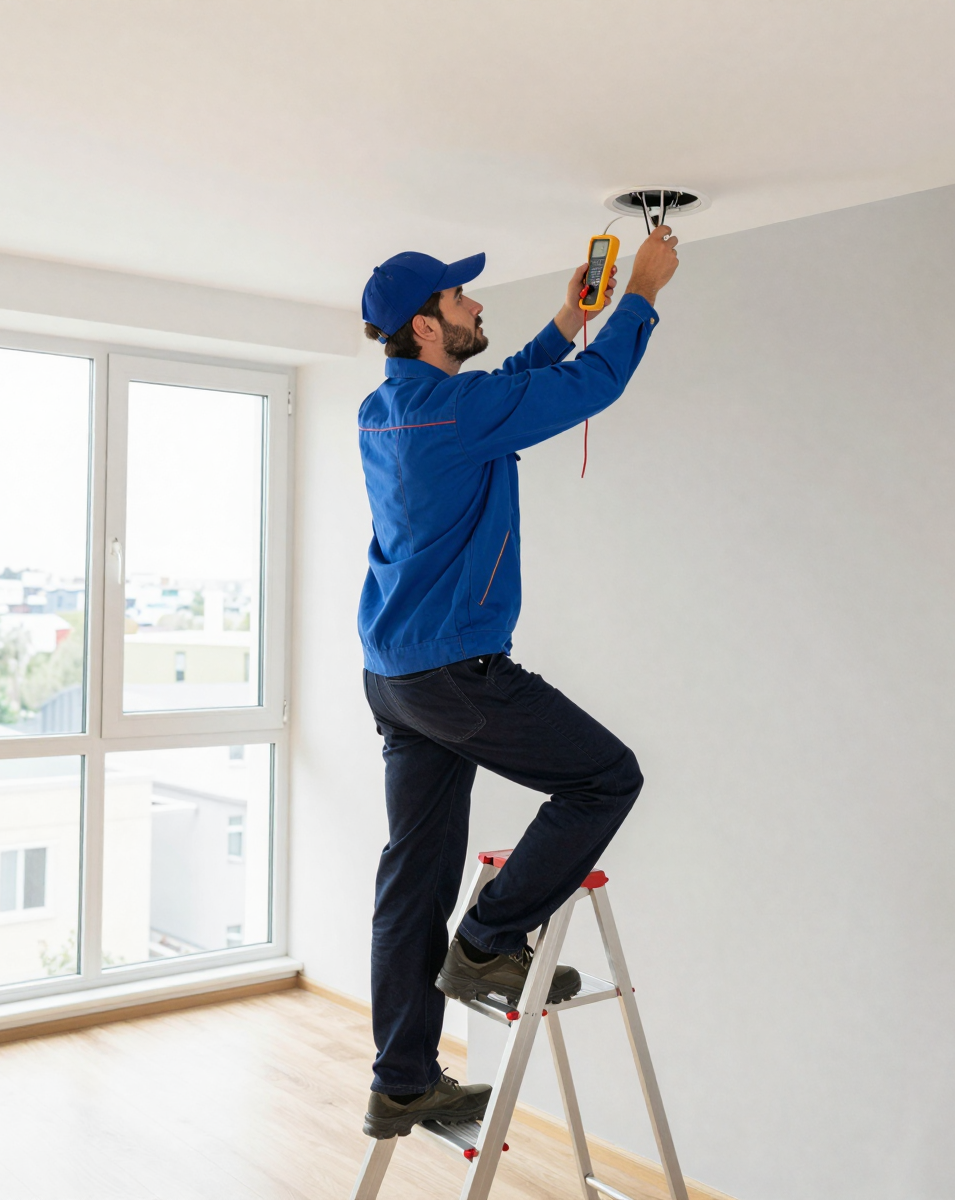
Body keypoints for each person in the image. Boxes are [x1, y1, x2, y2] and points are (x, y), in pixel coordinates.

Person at [353, 226, 681, 1138]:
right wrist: (642, 296)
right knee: (605, 777)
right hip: (456, 672)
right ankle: (488, 943)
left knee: (412, 880)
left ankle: (402, 1083)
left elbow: (501, 394)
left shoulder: (389, 409)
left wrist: (569, 318)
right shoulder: (454, 413)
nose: (474, 305)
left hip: (394, 674)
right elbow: (590, 387)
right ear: (426, 326)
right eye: (460, 300)